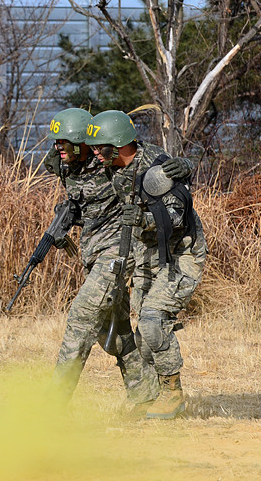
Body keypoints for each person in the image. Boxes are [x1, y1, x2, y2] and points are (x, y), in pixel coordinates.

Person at [75, 109, 207, 419]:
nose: (95, 153)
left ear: (119, 144)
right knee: (143, 337)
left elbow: (175, 218)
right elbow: (82, 175)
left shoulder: (155, 167)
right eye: (94, 148)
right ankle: (149, 396)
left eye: (100, 147)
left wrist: (146, 219)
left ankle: (173, 394)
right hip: (146, 255)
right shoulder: (111, 165)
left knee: (151, 320)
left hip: (181, 255)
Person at [43, 107, 161, 416]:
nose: (58, 149)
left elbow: (144, 158)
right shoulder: (64, 163)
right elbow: (80, 201)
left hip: (119, 253)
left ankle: (50, 409)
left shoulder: (111, 163)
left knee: (81, 319)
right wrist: (64, 221)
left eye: (65, 143)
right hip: (92, 253)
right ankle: (145, 393)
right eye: (56, 142)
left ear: (85, 144)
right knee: (115, 330)